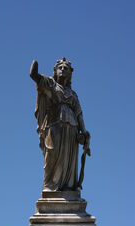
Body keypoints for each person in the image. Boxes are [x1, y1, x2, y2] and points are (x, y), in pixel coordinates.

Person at [30, 57, 90, 192]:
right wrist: (34, 69)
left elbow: (79, 114)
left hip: (72, 129)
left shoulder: (73, 95)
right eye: (60, 68)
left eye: (66, 69)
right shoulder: (51, 85)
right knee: (51, 153)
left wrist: (84, 131)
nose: (63, 70)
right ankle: (50, 186)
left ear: (70, 74)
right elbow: (35, 77)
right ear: (55, 71)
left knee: (68, 160)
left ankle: (68, 188)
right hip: (54, 125)